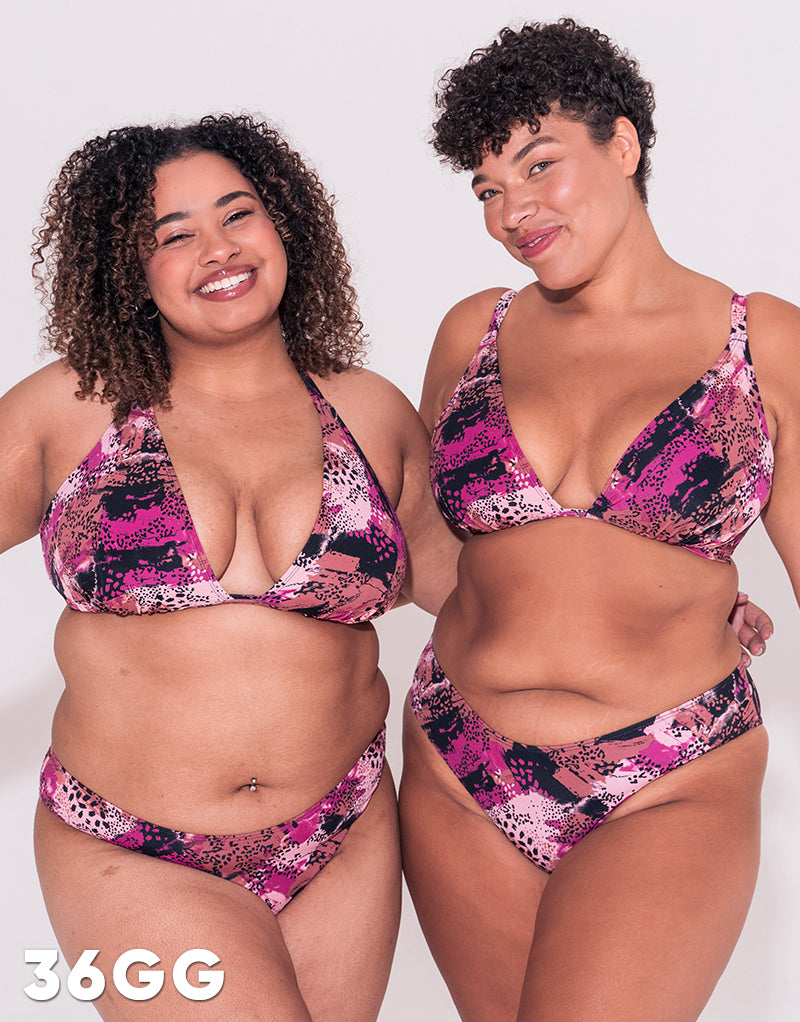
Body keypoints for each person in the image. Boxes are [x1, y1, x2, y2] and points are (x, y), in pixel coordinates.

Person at [0, 114, 454, 1021]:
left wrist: (671, 598)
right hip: (132, 848)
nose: (218, 249)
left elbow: (473, 587)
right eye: (173, 235)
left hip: (344, 833)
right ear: (129, 270)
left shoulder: (370, 410)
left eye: (238, 214)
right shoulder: (69, 407)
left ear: (285, 226)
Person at [399, 19, 793, 1021]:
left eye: (539, 165)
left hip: (669, 770)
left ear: (621, 145)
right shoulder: (473, 329)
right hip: (457, 761)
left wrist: (667, 599)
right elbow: (424, 546)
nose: (512, 211)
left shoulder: (762, 340)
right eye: (487, 188)